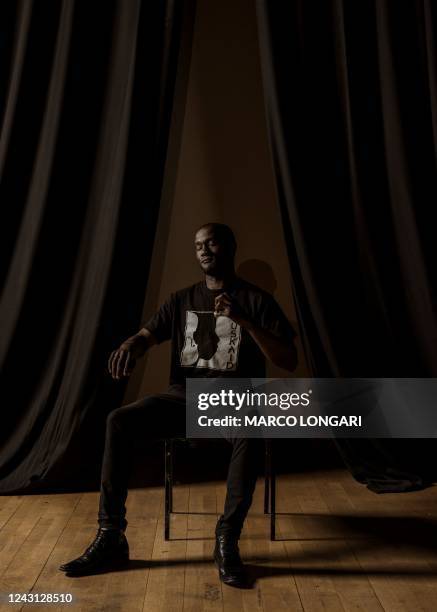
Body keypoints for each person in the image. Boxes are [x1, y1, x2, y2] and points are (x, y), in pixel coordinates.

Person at [59, 222, 298, 587]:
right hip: (182, 399)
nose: (203, 250)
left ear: (230, 247)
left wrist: (244, 321)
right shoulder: (181, 299)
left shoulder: (257, 301)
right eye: (198, 245)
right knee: (118, 420)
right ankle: (111, 536)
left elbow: (288, 360)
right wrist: (130, 346)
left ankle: (226, 539)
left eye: (212, 242)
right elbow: (146, 334)